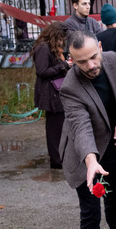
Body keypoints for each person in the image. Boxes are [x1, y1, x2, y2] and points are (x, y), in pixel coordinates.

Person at [59, 30, 116, 229]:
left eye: (93, 57)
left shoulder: (112, 60)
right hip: (82, 152)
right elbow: (81, 126)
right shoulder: (70, 87)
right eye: (82, 62)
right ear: (72, 60)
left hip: (110, 143)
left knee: (115, 200)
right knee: (91, 211)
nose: (91, 66)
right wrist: (90, 160)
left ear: (100, 47)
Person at [32, 22, 71, 169]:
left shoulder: (52, 48)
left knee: (59, 127)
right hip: (50, 94)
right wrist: (64, 66)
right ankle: (56, 160)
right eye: (60, 38)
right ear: (54, 35)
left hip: (56, 92)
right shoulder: (43, 47)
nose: (62, 41)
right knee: (54, 129)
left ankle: (60, 157)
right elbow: (42, 71)